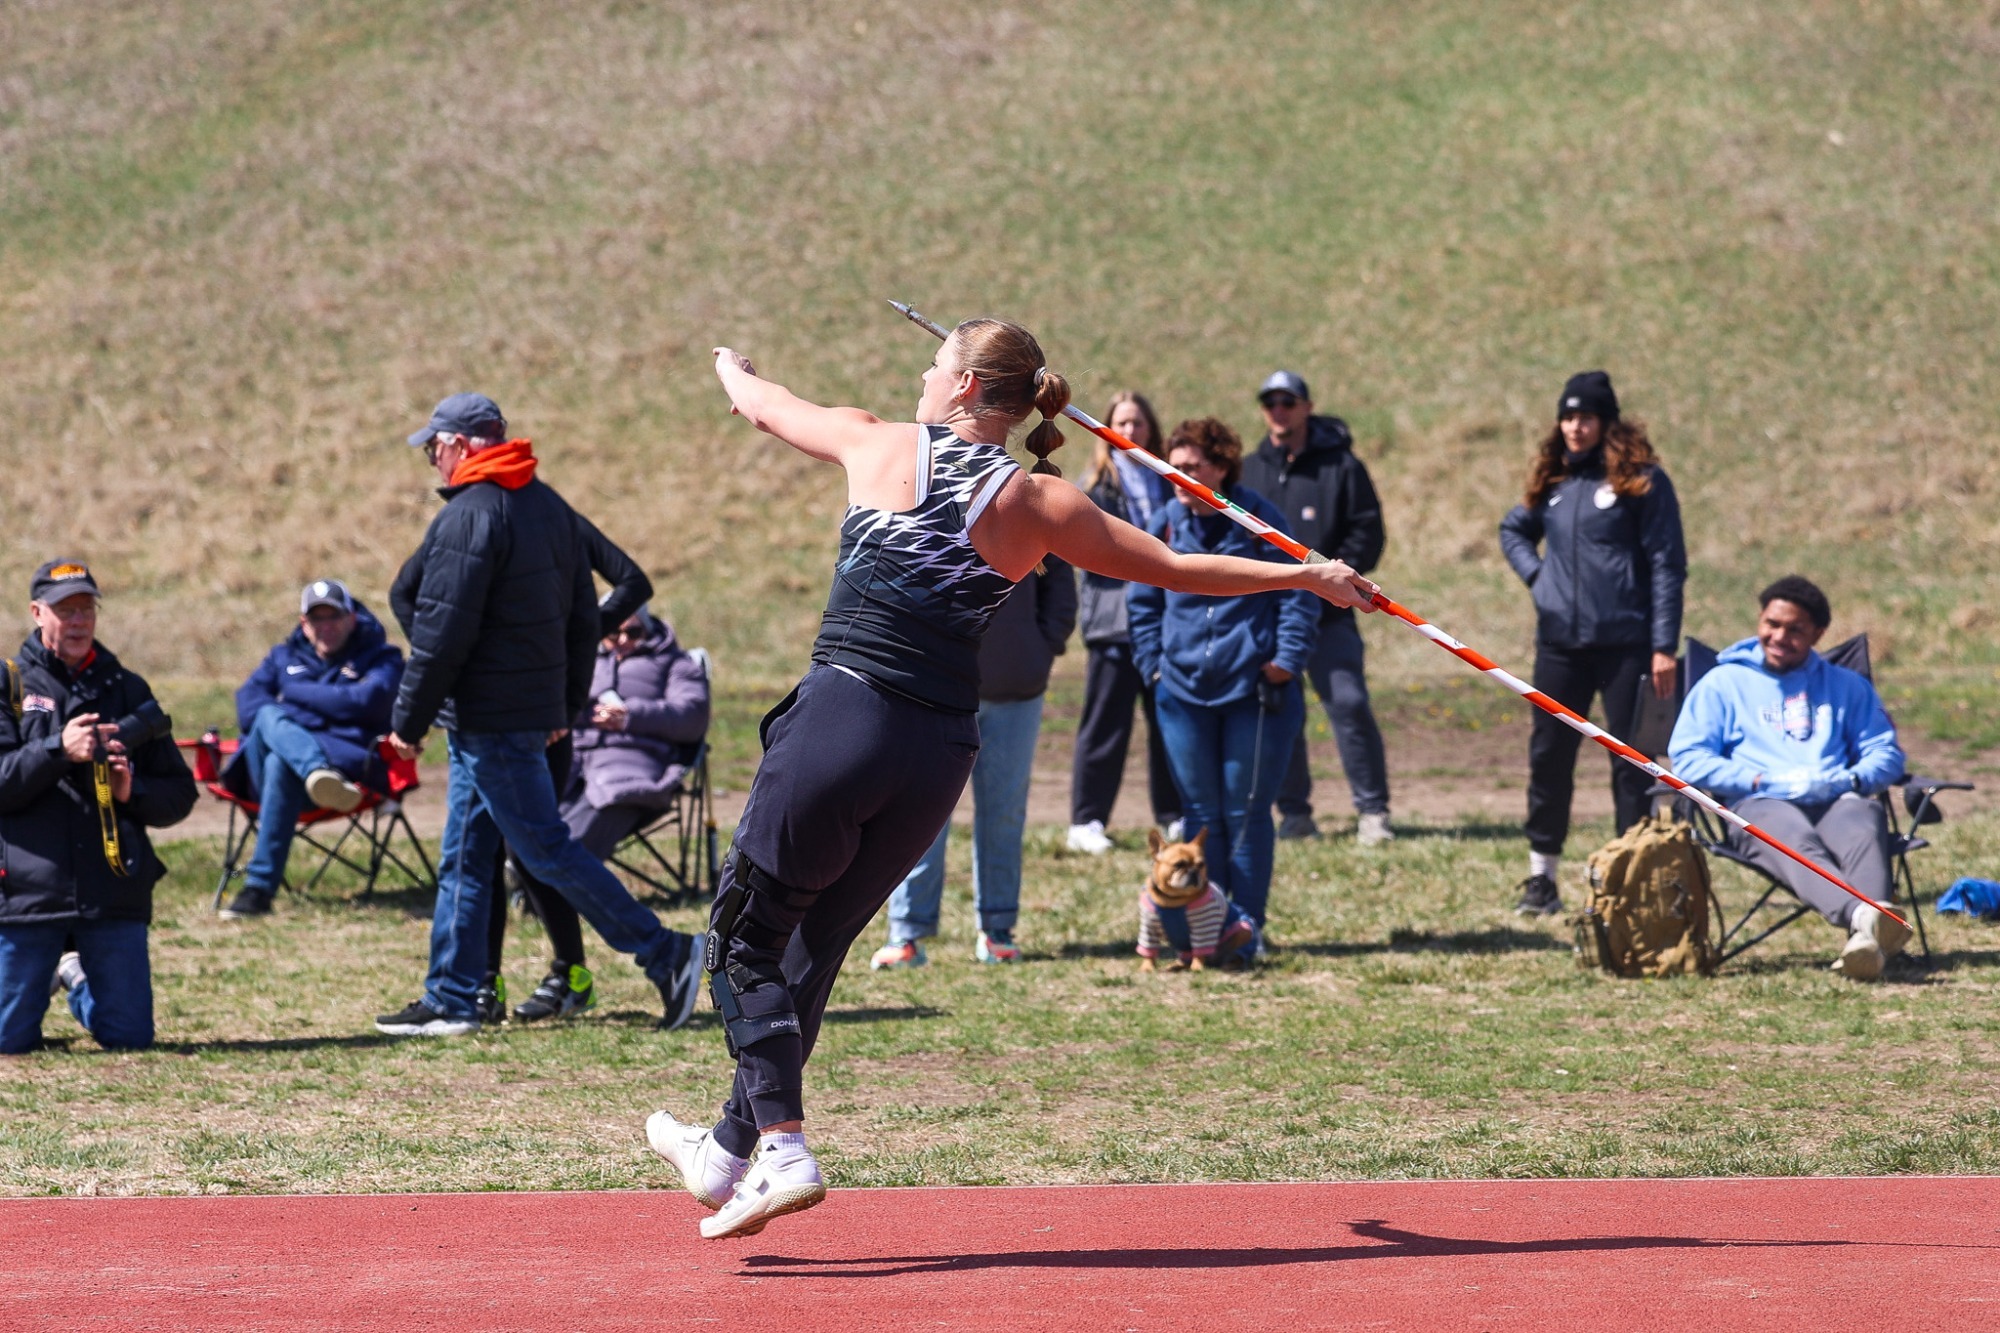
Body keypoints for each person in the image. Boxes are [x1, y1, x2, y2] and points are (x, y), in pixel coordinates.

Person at [644, 320, 1377, 1241]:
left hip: (846, 717)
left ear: (962, 390)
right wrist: (1307, 575)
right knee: (813, 949)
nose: (921, 369)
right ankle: (722, 1157)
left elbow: (761, 406)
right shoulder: (1042, 501)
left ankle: (783, 1146)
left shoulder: (878, 440)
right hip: (940, 747)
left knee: (741, 938)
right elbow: (1179, 571)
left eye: (936, 362)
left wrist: (728, 363)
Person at [374, 392, 701, 1037]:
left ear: (463, 445)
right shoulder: (546, 505)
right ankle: (455, 995)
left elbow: (440, 635)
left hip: (493, 719)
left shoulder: (469, 515)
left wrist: (406, 723)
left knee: (545, 851)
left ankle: (668, 953)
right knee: (466, 857)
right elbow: (585, 619)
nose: (433, 462)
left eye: (435, 449)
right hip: (501, 715)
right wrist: (566, 701)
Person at [390, 509, 655, 1025]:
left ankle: (571, 972)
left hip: (543, 712)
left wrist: (570, 645)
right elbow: (405, 593)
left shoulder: (551, 522)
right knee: (479, 851)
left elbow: (632, 582)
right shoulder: (475, 525)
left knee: (527, 846)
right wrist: (452, 661)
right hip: (494, 712)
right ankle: (484, 984)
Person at [1499, 371, 1686, 916]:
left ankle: (1628, 879)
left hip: (1628, 646)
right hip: (1560, 647)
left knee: (1631, 764)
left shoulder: (1643, 482)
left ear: (1607, 422)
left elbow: (1667, 567)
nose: (1574, 427)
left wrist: (1662, 646)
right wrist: (1539, 579)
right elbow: (1512, 530)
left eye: (1585, 417)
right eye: (1567, 416)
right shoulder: (1555, 485)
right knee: (1549, 757)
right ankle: (1542, 879)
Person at [1129, 418, 1317, 944]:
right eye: (1174, 468)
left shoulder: (1258, 519)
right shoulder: (1162, 523)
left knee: (1246, 810)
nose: (1181, 478)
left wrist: (1286, 658)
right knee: (1200, 812)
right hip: (1180, 691)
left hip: (1254, 692)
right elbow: (1141, 597)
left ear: (1222, 468)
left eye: (1193, 468)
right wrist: (1154, 666)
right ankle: (1201, 927)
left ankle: (1245, 929)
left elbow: (1300, 587)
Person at [1668, 576, 1910, 979]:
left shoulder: (1847, 685)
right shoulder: (1722, 683)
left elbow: (1886, 755)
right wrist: (1761, 780)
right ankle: (1868, 919)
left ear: (1818, 633)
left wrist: (1848, 781)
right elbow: (1689, 760)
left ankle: (1866, 937)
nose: (1778, 636)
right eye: (1771, 624)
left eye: (1794, 629)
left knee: (1864, 822)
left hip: (1835, 797)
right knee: (1787, 835)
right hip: (1758, 802)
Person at [0, 560, 196, 1053]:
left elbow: (179, 794)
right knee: (7, 1042)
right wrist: (56, 750)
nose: (79, 620)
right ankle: (49, 971)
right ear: (36, 613)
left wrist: (132, 791)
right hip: (28, 894)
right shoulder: (10, 685)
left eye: (87, 608)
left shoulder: (128, 689)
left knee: (129, 1039)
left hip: (112, 887)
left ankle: (74, 978)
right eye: (65, 610)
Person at [870, 552, 1076, 969]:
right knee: (919, 812)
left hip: (1015, 690)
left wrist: (1041, 645)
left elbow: (1059, 573)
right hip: (934, 689)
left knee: (1003, 812)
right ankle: (907, 932)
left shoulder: (1031, 489)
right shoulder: (926, 493)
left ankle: (998, 928)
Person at [509, 605, 711, 1022]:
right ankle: (571, 974)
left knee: (562, 854)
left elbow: (692, 716)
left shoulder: (673, 663)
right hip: (573, 765)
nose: (620, 641)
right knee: (530, 846)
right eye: (611, 633)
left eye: (632, 632)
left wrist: (631, 715)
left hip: (629, 771)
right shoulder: (585, 660)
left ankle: (653, 955)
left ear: (650, 629)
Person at [1239, 370, 1392, 846]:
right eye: (1270, 402)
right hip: (1273, 616)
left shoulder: (1341, 467)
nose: (1278, 410)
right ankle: (1295, 812)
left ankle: (1373, 812)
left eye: (1288, 401)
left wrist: (1339, 578)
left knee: (1349, 704)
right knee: (1282, 712)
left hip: (1330, 615)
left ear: (1307, 406)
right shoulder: (1249, 470)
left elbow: (1368, 530)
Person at [218, 579, 405, 919]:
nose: (326, 627)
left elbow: (368, 701)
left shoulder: (382, 657)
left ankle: (258, 890)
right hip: (291, 779)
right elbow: (247, 708)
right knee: (266, 715)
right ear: (303, 624)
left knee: (279, 759)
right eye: (316, 619)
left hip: (349, 773)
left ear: (351, 617)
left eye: (333, 617)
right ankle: (315, 769)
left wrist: (293, 694)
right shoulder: (281, 656)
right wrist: (331, 706)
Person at [1066, 392, 1182, 855]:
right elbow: (1086, 552)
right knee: (1105, 725)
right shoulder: (1095, 484)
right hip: (1113, 624)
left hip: (1163, 622)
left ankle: (1173, 815)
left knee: (1167, 721)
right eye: (1122, 422)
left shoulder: (1168, 480)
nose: (1130, 431)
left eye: (1138, 423)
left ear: (1152, 428)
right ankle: (1086, 820)